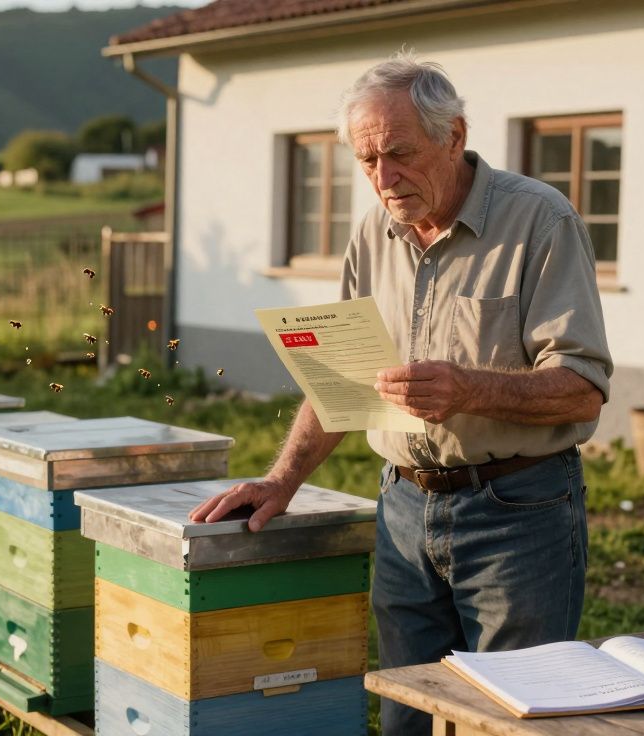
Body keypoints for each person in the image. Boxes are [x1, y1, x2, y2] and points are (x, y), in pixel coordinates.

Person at [189, 51, 612, 735]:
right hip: (404, 506)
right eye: (367, 160)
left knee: (511, 715)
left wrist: (468, 388)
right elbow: (342, 380)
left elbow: (583, 391)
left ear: (454, 136)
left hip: (518, 510)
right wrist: (281, 480)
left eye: (399, 153)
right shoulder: (371, 233)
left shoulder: (541, 220)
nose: (384, 178)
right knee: (408, 712)